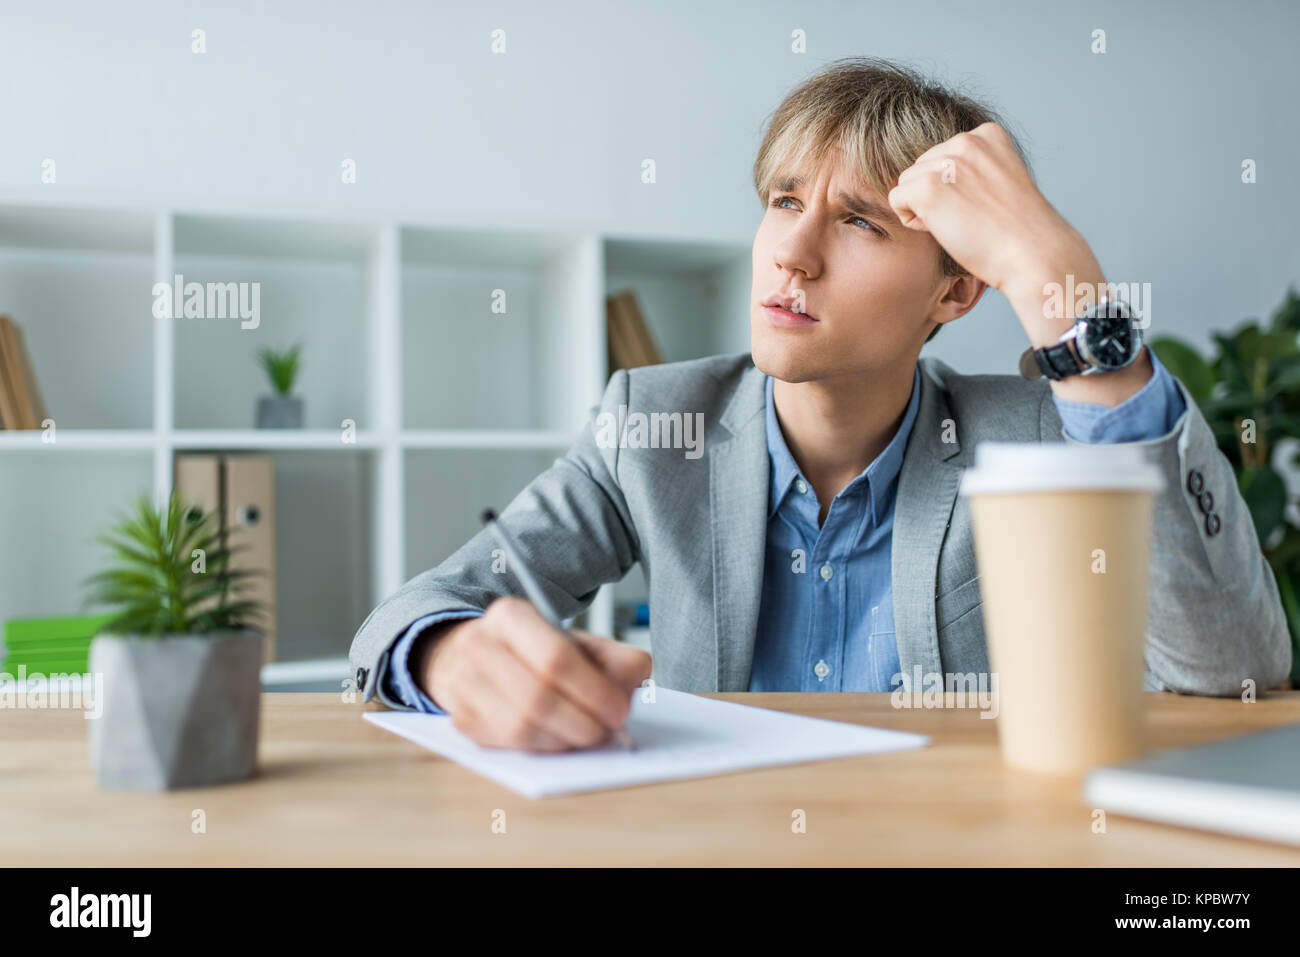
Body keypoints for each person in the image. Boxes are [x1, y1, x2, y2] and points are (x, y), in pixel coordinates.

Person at [349, 57, 1292, 752]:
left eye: (857, 221)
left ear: (954, 292)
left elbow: (1238, 672)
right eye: (784, 200)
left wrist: (1062, 290)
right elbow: (413, 612)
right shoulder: (652, 423)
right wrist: (447, 654)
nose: (791, 254)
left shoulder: (1040, 433)